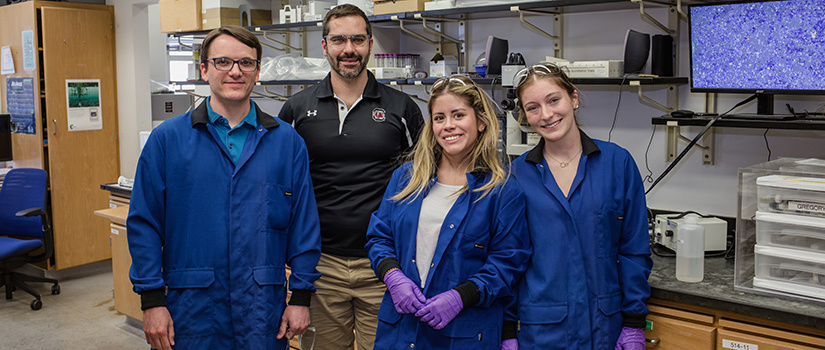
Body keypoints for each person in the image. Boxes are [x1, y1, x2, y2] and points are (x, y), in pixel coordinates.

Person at [127, 25, 321, 350]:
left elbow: (304, 226)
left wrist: (301, 296)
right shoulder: (167, 141)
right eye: (223, 62)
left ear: (258, 71)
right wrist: (151, 301)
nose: (235, 71)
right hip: (190, 309)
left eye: (246, 63)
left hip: (262, 310)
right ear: (204, 69)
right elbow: (144, 225)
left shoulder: (287, 143)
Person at [277, 4, 425, 350]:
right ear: (324, 45)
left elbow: (425, 179)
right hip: (320, 264)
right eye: (339, 40)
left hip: (385, 266)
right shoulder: (297, 110)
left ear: (371, 44)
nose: (349, 49)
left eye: (358, 40)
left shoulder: (402, 108)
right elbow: (279, 184)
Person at [365, 75, 531, 349]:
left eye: (458, 115)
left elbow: (508, 263)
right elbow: (379, 238)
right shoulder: (406, 179)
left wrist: (460, 297)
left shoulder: (502, 190)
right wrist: (393, 276)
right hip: (401, 328)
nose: (448, 125)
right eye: (439, 118)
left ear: (481, 122)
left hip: (464, 332)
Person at [506, 63, 653, 349]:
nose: (546, 115)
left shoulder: (617, 163)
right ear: (524, 115)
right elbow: (510, 261)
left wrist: (634, 321)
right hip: (541, 332)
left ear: (573, 98)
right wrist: (507, 330)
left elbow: (634, 249)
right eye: (533, 107)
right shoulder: (516, 176)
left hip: (604, 327)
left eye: (553, 100)